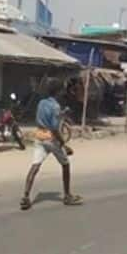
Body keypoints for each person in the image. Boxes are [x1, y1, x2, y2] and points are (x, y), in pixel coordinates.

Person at [20, 78, 83, 211]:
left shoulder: (41, 102)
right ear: (59, 91)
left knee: (35, 166)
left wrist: (61, 114)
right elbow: (54, 128)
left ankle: (25, 196)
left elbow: (46, 117)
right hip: (51, 138)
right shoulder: (55, 106)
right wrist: (63, 144)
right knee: (65, 165)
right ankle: (67, 196)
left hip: (39, 136)